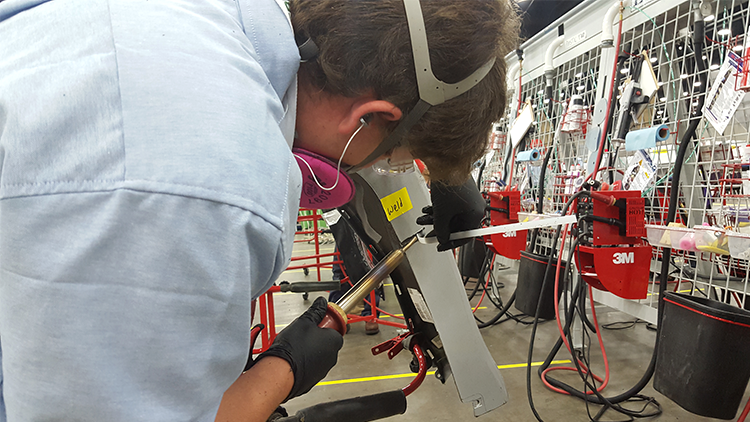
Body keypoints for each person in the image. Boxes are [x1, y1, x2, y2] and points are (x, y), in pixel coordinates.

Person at [0, 0, 520, 421]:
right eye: (390, 160)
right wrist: (282, 371)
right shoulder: (206, 188)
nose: (378, 170)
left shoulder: (212, 24)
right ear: (369, 119)